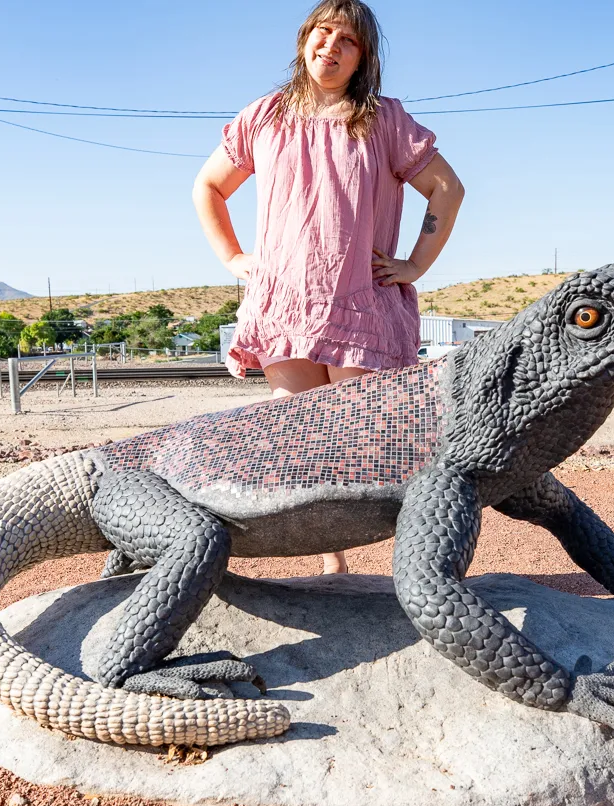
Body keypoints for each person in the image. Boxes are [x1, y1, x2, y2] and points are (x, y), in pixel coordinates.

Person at [193, 0, 464, 574]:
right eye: (323, 32)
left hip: (359, 301)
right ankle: (331, 562)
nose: (331, 46)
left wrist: (414, 265)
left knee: (366, 439)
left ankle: (415, 567)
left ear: (362, 55)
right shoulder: (264, 116)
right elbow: (208, 187)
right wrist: (235, 257)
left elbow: (448, 189)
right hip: (285, 302)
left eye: (348, 39)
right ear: (304, 40)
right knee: (298, 439)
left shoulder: (383, 119)